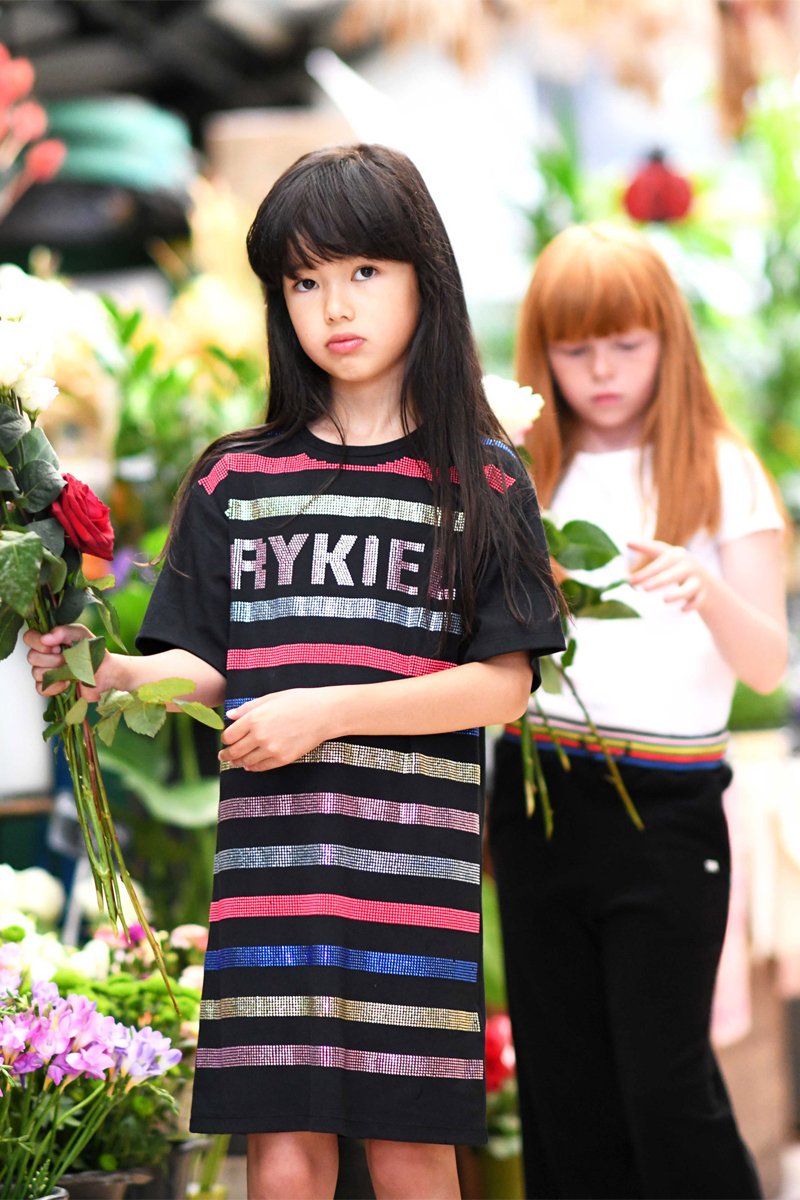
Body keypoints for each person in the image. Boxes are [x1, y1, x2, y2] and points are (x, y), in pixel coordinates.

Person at [26, 143, 565, 1200]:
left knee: (410, 1150)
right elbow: (208, 664)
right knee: (280, 1151)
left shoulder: (483, 477)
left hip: (411, 878)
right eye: (305, 281)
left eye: (363, 271)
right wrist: (112, 677)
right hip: (272, 870)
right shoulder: (236, 476)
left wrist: (324, 713)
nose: (335, 306)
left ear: (424, 278)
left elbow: (503, 685)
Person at [488, 221, 788, 1200]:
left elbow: (768, 663)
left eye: (625, 344)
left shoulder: (716, 468)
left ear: (667, 338)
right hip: (538, 795)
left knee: (666, 1090)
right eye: (576, 350)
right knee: (562, 1090)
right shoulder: (521, 468)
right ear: (544, 353)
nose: (603, 372)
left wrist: (705, 590)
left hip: (667, 808)